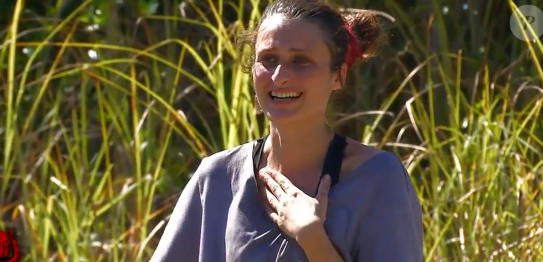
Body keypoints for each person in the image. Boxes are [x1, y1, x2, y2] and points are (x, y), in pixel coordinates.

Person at [149, 0, 423, 261]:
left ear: (338, 75)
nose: (279, 76)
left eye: (300, 61)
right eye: (268, 59)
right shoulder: (217, 177)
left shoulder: (377, 179)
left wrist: (313, 239)